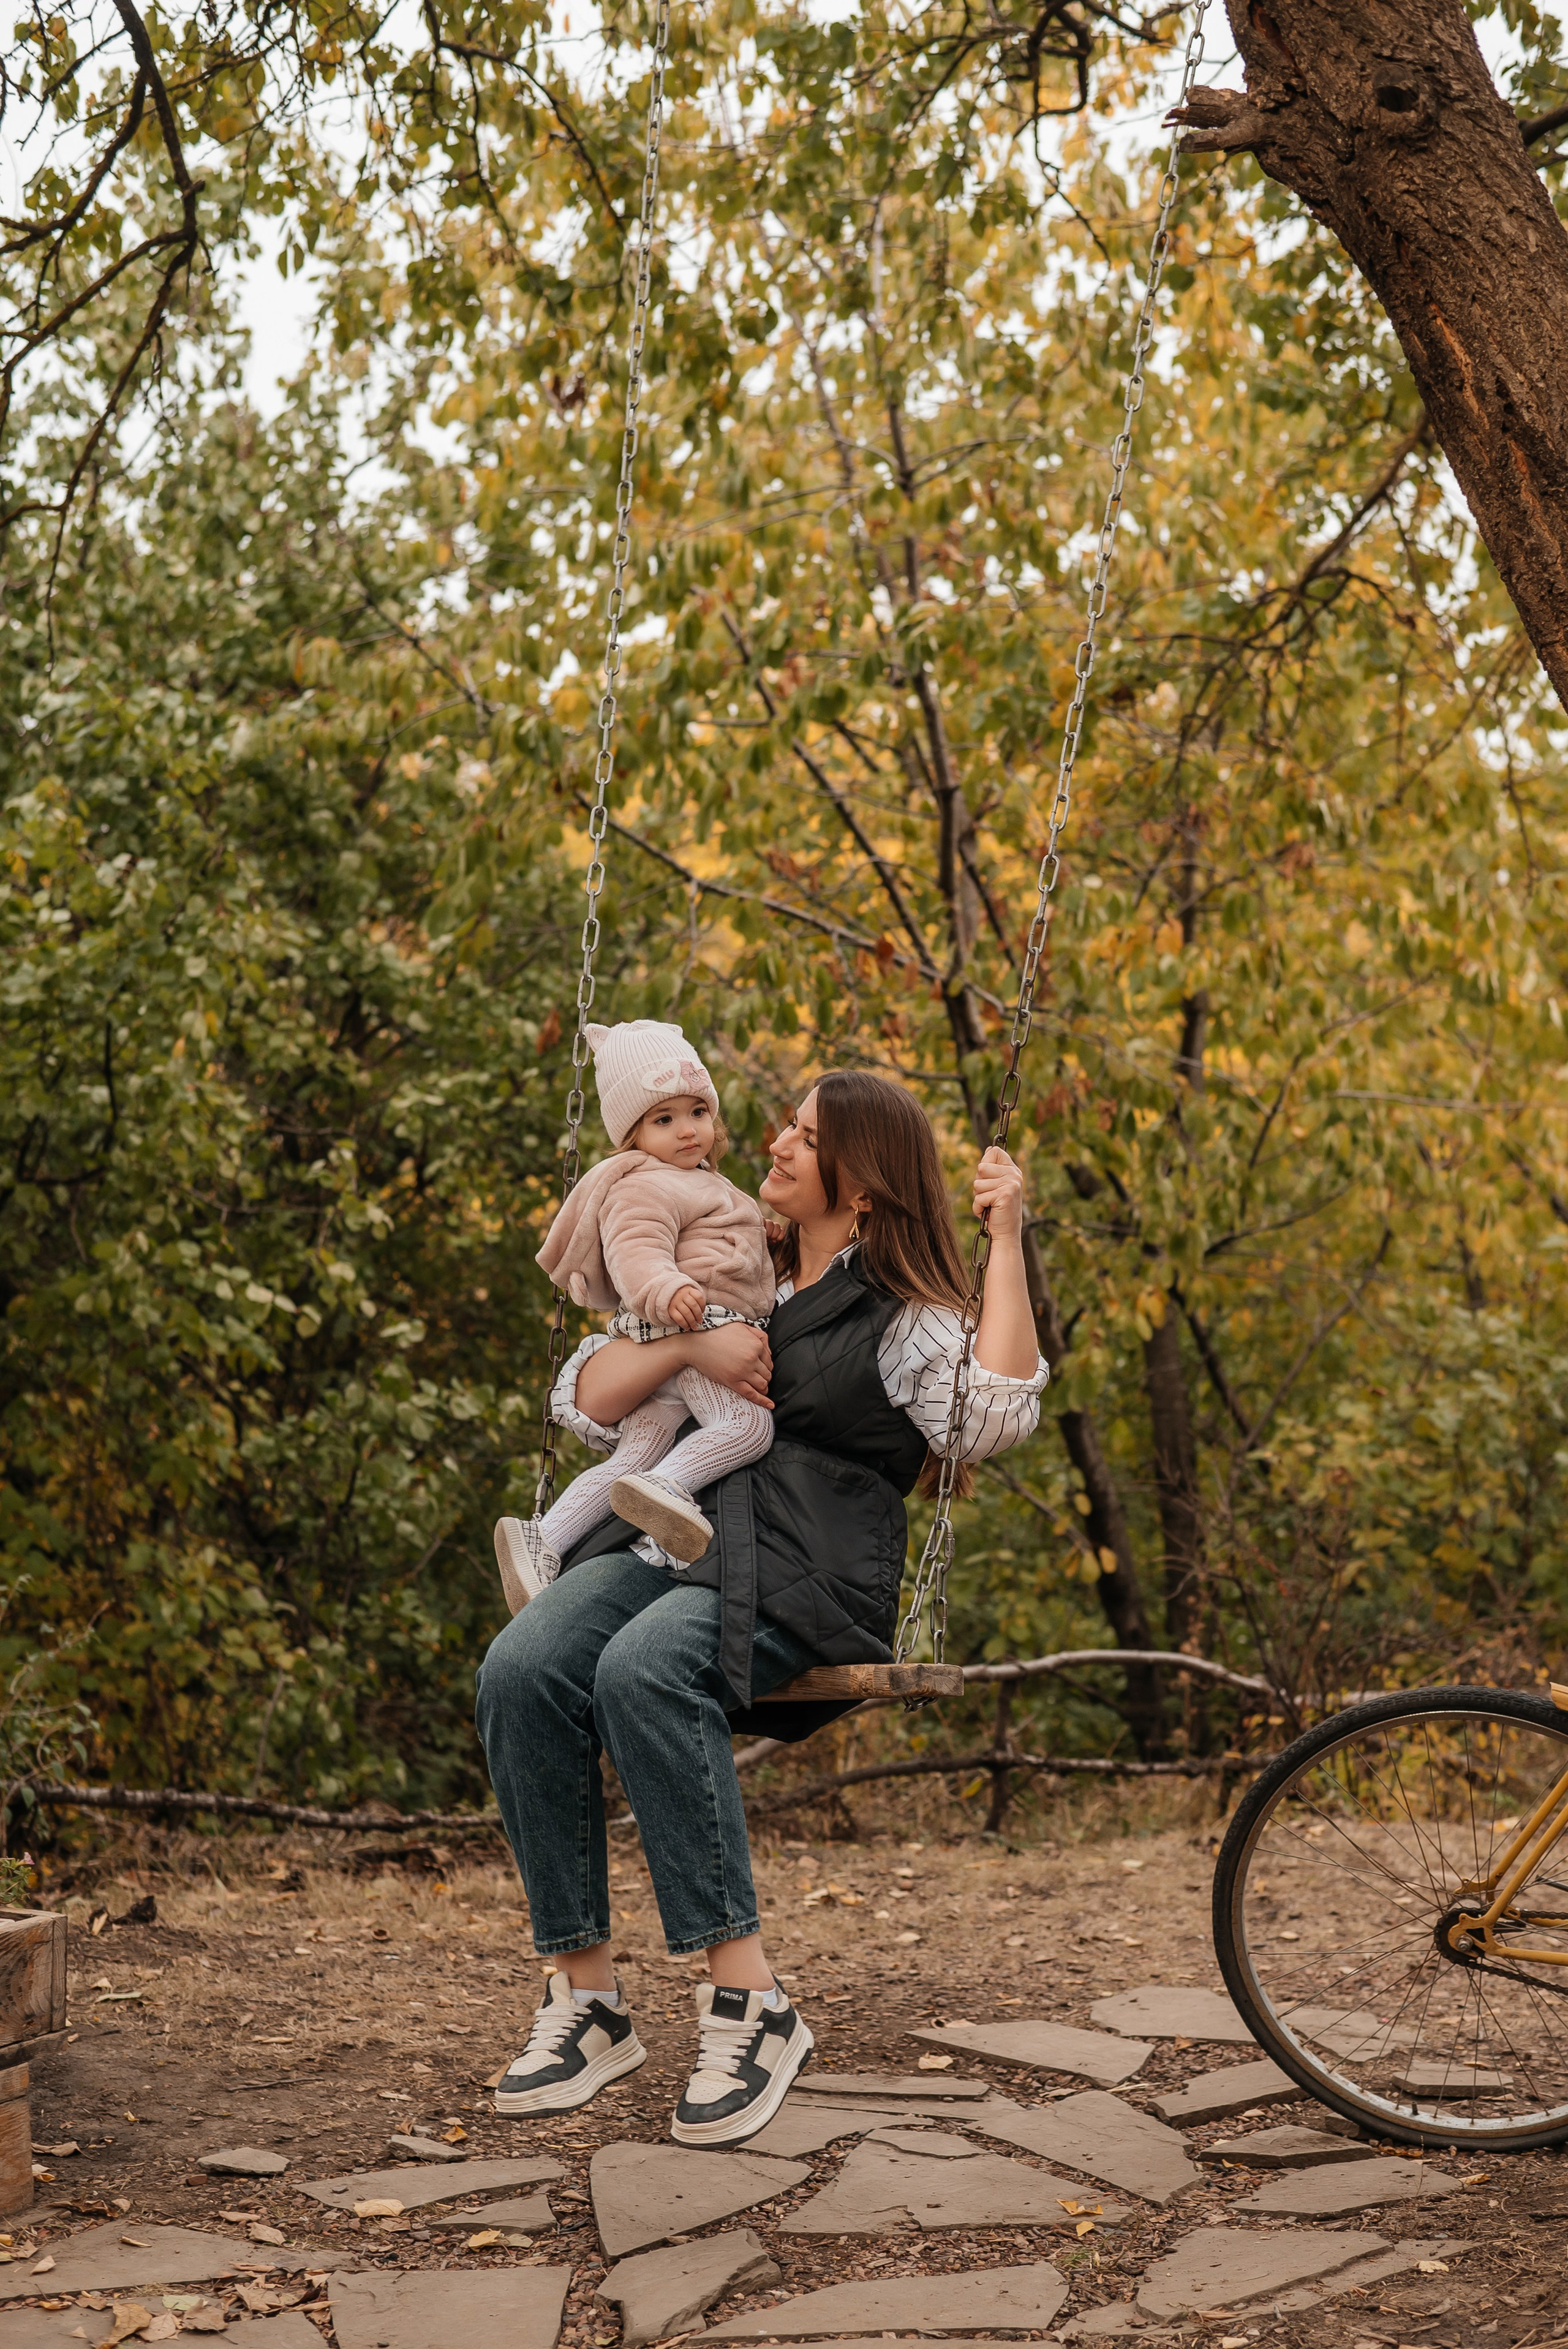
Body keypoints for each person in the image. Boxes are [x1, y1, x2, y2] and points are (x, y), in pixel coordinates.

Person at [476, 1071, 1047, 2146]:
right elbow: (587, 1397)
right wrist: (688, 1346)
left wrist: (1006, 1240)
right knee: (523, 1666)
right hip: (674, 1532)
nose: (777, 1142)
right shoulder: (732, 1251)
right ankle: (587, 1999)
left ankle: (751, 2002)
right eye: (787, 1125)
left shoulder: (901, 1313)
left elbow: (990, 1418)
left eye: (807, 1136)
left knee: (643, 1670)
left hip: (807, 1562)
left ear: (861, 1184)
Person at [495, 1019, 776, 1608]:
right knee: (747, 1427)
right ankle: (666, 1485)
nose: (687, 1129)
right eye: (663, 1119)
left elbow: (721, 1236)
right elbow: (635, 1250)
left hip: (682, 1331)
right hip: (695, 1325)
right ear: (633, 1136)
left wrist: (764, 1239)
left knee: (635, 1452)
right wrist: (664, 1288)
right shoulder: (642, 1184)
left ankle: (545, 1538)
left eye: (697, 1111)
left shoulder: (700, 1181)